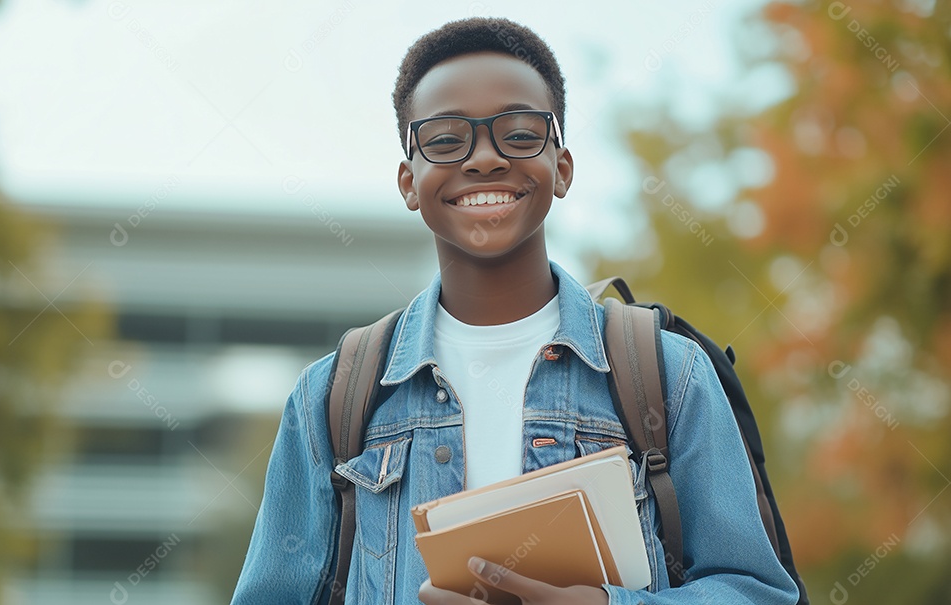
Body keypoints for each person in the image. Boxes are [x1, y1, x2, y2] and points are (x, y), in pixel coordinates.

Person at [230, 16, 800, 605]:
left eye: (521, 134)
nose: (483, 160)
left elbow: (756, 591)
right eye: (446, 139)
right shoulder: (332, 397)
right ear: (408, 181)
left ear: (562, 169)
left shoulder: (667, 375)